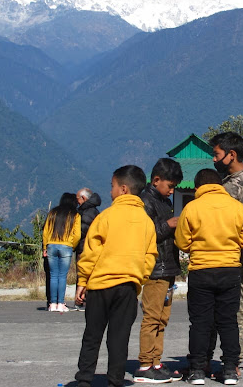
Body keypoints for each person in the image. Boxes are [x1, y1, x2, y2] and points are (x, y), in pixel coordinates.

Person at [74, 165, 158, 387]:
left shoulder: (106, 217)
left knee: (92, 336)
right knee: (119, 339)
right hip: (128, 288)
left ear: (123, 189)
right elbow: (150, 256)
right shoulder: (146, 221)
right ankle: (115, 381)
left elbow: (91, 252)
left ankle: (84, 380)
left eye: (112, 186)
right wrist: (139, 279)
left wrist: (83, 281)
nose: (109, 191)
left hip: (100, 285)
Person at [175, 169, 243, 386]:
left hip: (201, 270)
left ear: (198, 187)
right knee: (228, 322)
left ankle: (198, 370)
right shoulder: (236, 207)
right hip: (230, 270)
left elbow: (182, 242)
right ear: (219, 184)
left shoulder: (192, 207)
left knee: (200, 323)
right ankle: (230, 369)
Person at [208, 132, 243, 377]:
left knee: (235, 309)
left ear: (231, 155)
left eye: (217, 154)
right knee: (208, 309)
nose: (213, 159)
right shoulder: (224, 180)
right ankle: (203, 359)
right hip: (211, 254)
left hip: (233, 257)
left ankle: (234, 362)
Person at [134, 158, 184, 383]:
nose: (172, 191)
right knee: (152, 317)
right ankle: (145, 364)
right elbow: (144, 234)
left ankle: (156, 360)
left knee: (162, 319)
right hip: (155, 268)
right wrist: (169, 225)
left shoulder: (162, 201)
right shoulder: (145, 201)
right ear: (156, 180)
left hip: (167, 267)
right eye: (170, 186)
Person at [42, 192, 81, 313]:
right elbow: (77, 235)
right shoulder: (75, 215)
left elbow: (46, 231)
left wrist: (45, 247)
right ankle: (60, 303)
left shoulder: (53, 213)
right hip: (66, 246)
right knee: (62, 276)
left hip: (51, 245)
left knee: (53, 275)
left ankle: (52, 303)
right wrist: (72, 246)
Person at [74, 187, 102, 311]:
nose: (77, 203)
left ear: (84, 198)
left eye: (78, 199)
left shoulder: (86, 213)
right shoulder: (94, 211)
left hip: (84, 247)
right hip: (93, 247)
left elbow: (82, 230)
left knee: (83, 273)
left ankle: (82, 300)